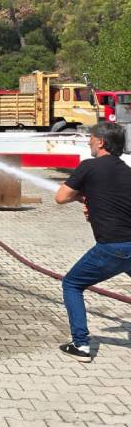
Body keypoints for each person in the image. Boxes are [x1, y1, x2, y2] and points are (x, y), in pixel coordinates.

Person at [54, 121, 131, 360]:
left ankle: (81, 345)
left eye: (91, 137)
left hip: (112, 247)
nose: (88, 140)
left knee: (72, 284)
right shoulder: (127, 171)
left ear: (101, 142)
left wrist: (81, 196)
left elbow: (60, 197)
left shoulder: (89, 167)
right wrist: (90, 201)